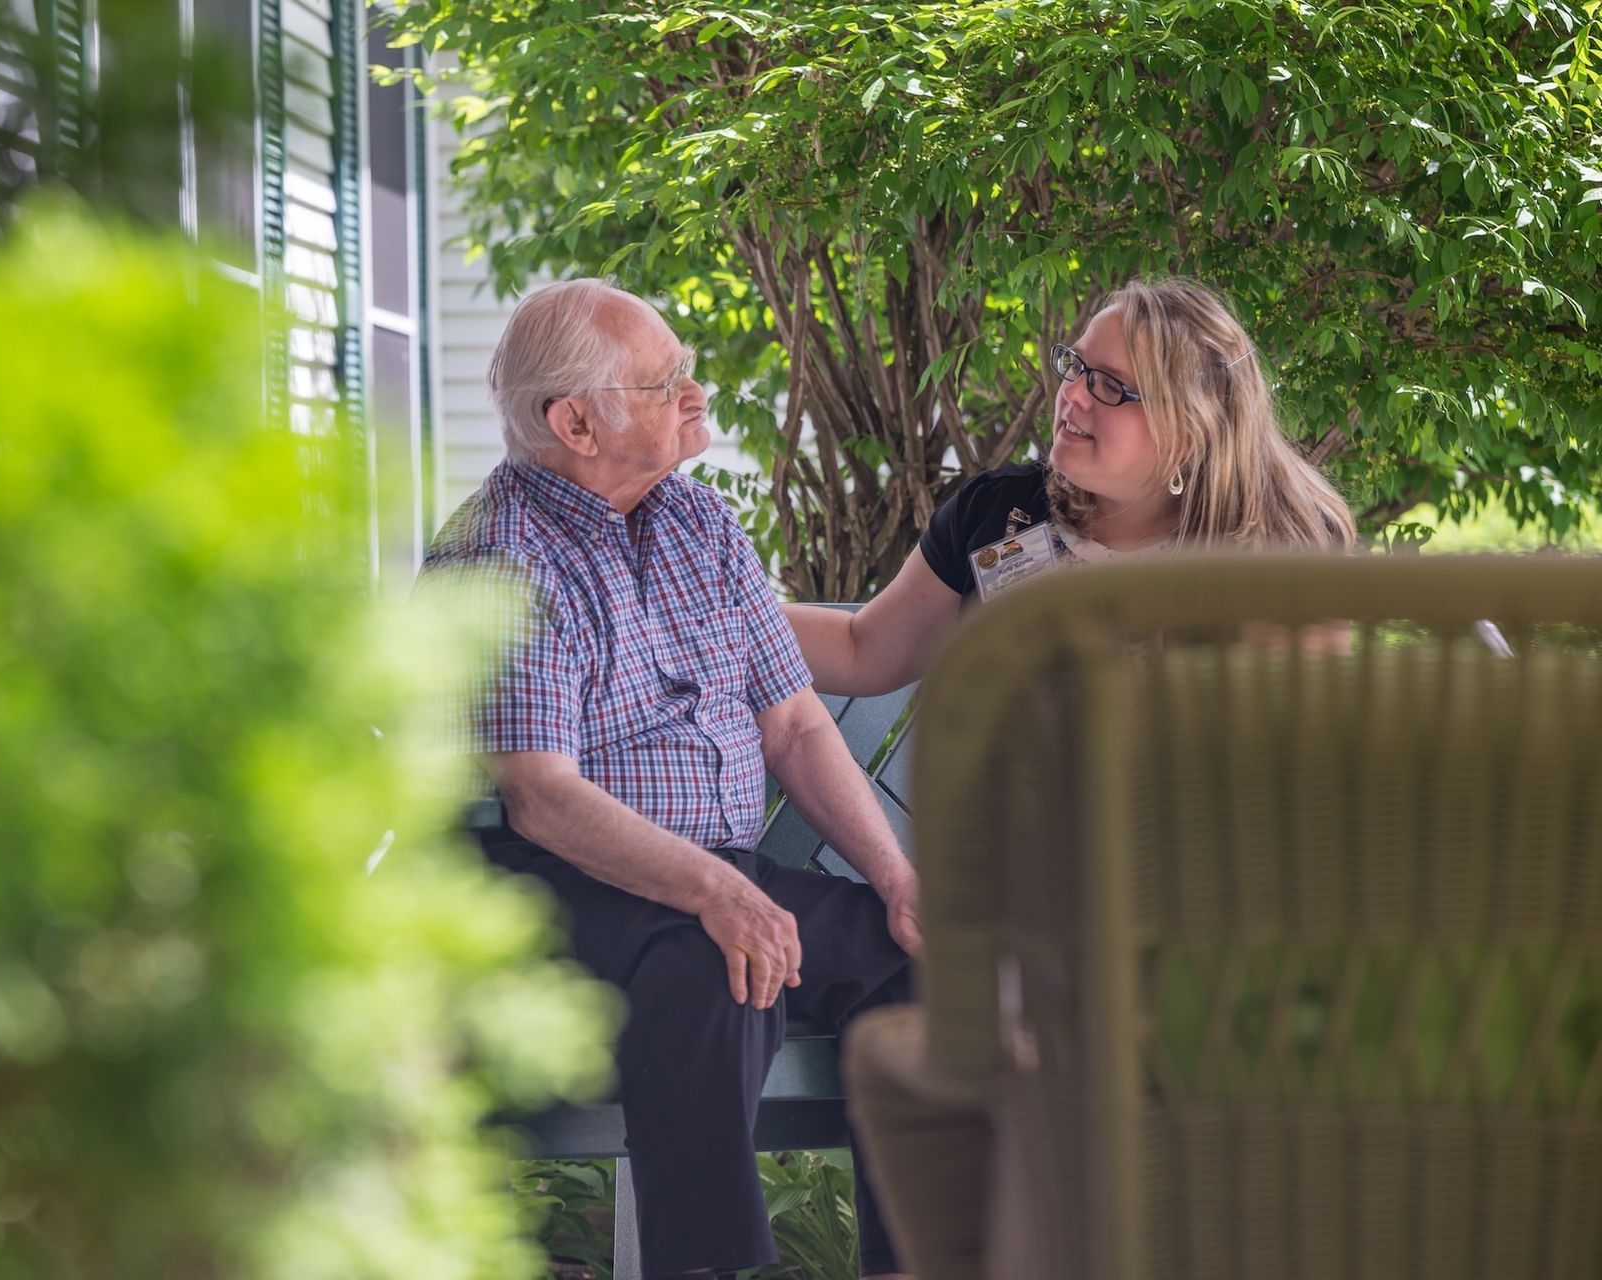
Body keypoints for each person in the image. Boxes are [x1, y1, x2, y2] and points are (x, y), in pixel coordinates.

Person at [420, 279, 921, 1280]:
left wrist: (897, 876)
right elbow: (542, 796)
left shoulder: (699, 524)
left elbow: (794, 720)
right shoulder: (502, 553)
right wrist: (718, 890)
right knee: (716, 967)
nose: (696, 395)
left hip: (710, 872)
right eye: (664, 382)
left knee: (911, 960)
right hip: (553, 878)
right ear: (575, 422)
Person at [784, 277, 1358, 696]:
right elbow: (864, 650)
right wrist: (714, 611)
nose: (1074, 394)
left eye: (1110, 385)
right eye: (1076, 367)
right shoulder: (1004, 511)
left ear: (1188, 432)